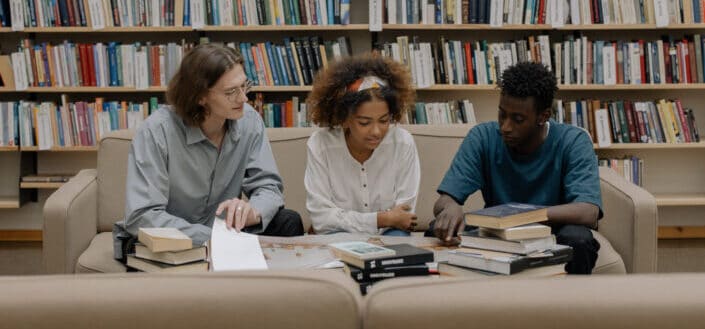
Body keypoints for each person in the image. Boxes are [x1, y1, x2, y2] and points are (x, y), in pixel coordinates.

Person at [116, 44, 303, 258]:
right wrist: (214, 238)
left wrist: (252, 211)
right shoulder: (155, 132)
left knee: (288, 221)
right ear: (200, 96)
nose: (244, 98)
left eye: (245, 86)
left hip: (226, 232)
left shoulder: (249, 121)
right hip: (173, 236)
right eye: (231, 92)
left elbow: (269, 187)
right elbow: (142, 216)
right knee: (150, 245)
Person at [430, 62, 602, 274]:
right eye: (502, 114)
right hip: (497, 233)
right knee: (438, 228)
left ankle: (569, 306)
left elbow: (588, 212)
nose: (505, 127)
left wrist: (523, 216)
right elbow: (444, 201)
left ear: (543, 116)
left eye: (518, 119)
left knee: (579, 238)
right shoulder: (483, 137)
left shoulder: (573, 141)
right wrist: (450, 207)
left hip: (552, 233)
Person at [304, 54, 420, 236]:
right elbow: (321, 219)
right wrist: (383, 219)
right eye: (365, 123)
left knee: (399, 243)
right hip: (338, 235)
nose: (376, 131)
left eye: (384, 120)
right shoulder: (320, 145)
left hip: (390, 233)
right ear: (344, 119)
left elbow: (404, 216)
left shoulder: (403, 143)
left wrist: (388, 221)